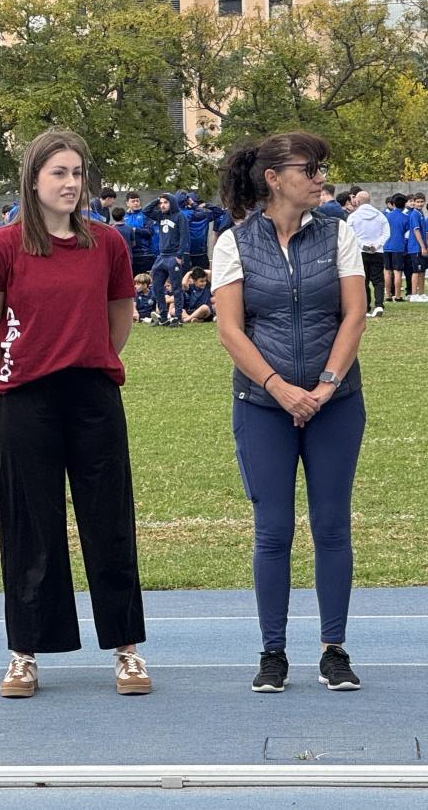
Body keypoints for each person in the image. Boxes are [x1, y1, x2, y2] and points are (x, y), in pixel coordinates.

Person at [0, 128, 149, 700]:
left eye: (77, 174)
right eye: (59, 174)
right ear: (34, 180)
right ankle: (24, 653)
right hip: (26, 399)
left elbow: (120, 317)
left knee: (109, 523)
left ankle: (126, 651)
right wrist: (18, 370)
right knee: (29, 525)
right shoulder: (1, 247)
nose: (71, 184)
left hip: (93, 396)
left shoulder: (109, 245)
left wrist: (90, 357)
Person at [212, 132, 366, 694]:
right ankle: (272, 652)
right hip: (262, 406)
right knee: (272, 531)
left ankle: (334, 650)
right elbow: (231, 330)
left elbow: (353, 317)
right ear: (275, 178)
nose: (321, 177)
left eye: (323, 167)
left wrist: (324, 386)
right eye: (310, 168)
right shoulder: (234, 243)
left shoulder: (339, 234)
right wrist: (280, 389)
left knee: (331, 526)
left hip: (336, 404)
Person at [144, 193, 189, 327]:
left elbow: (184, 237)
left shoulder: (180, 216)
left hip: (174, 255)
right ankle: (163, 316)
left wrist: (179, 255)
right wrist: (156, 199)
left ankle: (178, 317)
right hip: (161, 256)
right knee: (157, 287)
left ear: (172, 203)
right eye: (161, 203)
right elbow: (145, 210)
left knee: (176, 288)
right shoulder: (160, 215)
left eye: (166, 202)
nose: (162, 205)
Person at [346, 191, 388, 318]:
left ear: (357, 201)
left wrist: (363, 245)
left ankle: (366, 306)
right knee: (378, 280)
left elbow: (350, 234)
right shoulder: (380, 216)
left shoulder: (353, 217)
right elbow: (386, 233)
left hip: (360, 252)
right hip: (378, 252)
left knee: (363, 280)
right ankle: (379, 304)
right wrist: (376, 245)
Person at [383, 194, 409, 302]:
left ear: (393, 204)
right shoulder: (405, 218)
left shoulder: (385, 216)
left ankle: (388, 295)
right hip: (398, 246)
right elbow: (407, 233)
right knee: (398, 272)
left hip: (386, 246)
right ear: (404, 205)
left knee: (387, 271)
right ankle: (398, 296)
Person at [123, 192, 155, 276]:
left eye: (137, 201)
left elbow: (150, 232)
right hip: (130, 255)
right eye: (133, 201)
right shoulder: (124, 217)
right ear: (127, 203)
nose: (136, 203)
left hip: (144, 254)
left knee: (145, 282)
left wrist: (134, 230)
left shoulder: (145, 215)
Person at [405, 196, 426, 302]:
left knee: (422, 271)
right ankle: (413, 295)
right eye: (418, 202)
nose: (420, 204)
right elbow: (416, 231)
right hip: (415, 247)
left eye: (422, 202)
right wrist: (422, 246)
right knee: (416, 271)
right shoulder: (414, 214)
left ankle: (421, 293)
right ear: (414, 203)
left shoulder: (421, 213)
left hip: (421, 247)